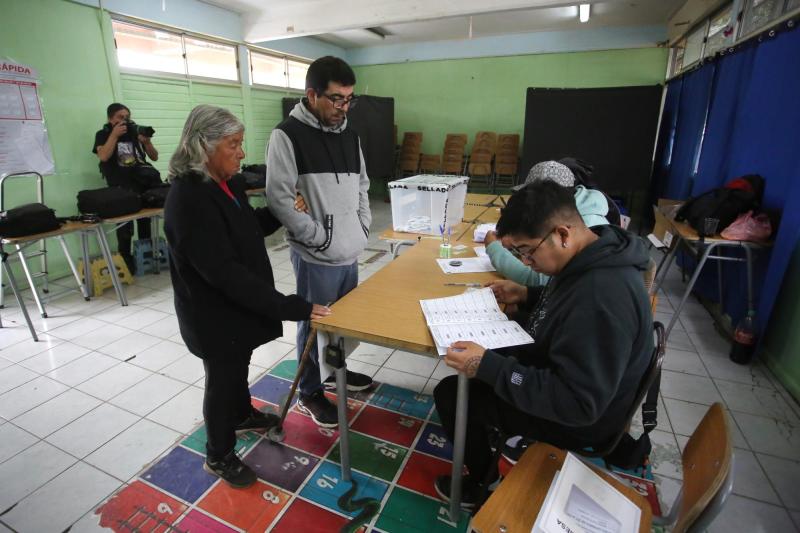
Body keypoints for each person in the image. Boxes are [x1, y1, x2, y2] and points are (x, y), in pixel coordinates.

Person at [433, 181, 653, 508]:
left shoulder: (602, 298)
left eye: (526, 251)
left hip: (579, 418)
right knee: (490, 351)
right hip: (564, 370)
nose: (524, 262)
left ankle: (483, 483)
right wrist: (527, 294)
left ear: (563, 234)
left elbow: (576, 402)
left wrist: (488, 367)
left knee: (452, 393)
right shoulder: (593, 254)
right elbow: (567, 305)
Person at [164, 104, 331, 489]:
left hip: (233, 311)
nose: (241, 152)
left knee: (239, 363)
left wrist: (281, 212)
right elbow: (225, 274)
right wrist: (293, 306)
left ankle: (241, 415)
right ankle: (218, 454)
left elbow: (246, 227)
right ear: (203, 147)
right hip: (212, 314)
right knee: (222, 379)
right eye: (233, 144)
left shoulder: (226, 183)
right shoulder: (188, 199)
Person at [265, 56, 372, 428]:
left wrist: (361, 228)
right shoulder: (287, 135)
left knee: (342, 322)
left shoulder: (350, 133)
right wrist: (318, 237)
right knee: (313, 325)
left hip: (350, 249)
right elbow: (279, 199)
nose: (344, 108)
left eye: (349, 99)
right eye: (336, 99)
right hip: (316, 255)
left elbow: (362, 184)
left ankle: (338, 373)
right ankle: (310, 392)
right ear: (312, 95)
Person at [484, 160, 609, 287]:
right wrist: (526, 295)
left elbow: (540, 280)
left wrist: (495, 249)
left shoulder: (586, 227)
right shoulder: (568, 218)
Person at [93, 103, 160, 274]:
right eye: (120, 117)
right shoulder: (103, 134)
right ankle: (125, 260)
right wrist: (114, 136)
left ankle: (145, 257)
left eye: (127, 117)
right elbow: (103, 155)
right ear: (110, 119)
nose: (125, 120)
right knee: (125, 227)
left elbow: (154, 156)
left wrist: (147, 142)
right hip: (120, 187)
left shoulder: (134, 132)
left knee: (145, 222)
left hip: (141, 184)